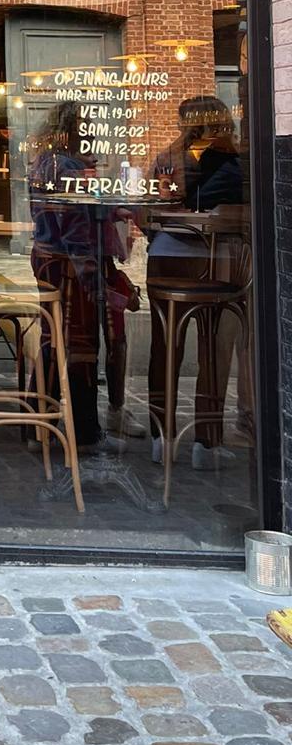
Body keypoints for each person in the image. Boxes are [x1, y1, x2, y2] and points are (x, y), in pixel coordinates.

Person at [28, 101, 134, 450]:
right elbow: (75, 227)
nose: (90, 135)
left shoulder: (44, 162)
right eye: (84, 128)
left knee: (54, 339)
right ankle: (85, 432)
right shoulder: (70, 167)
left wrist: (109, 210)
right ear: (73, 132)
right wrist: (94, 281)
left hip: (48, 259)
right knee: (80, 347)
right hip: (70, 266)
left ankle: (38, 425)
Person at [147, 95, 245, 469]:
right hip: (215, 258)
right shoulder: (234, 164)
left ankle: (161, 437)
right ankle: (207, 441)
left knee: (164, 345)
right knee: (213, 348)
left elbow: (149, 212)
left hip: (166, 253)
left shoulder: (167, 158)